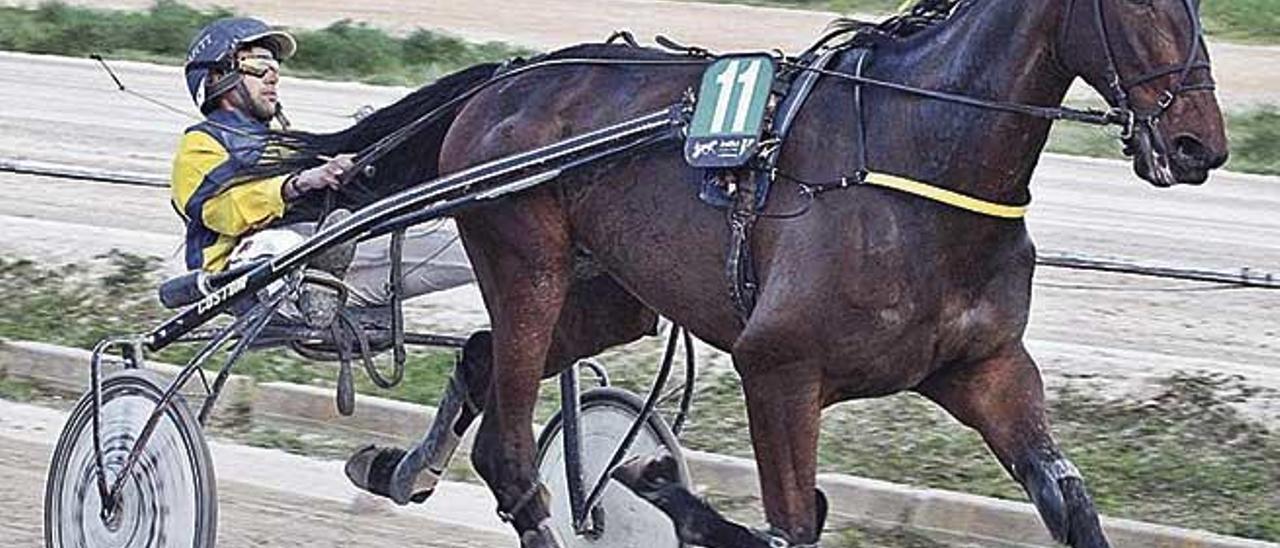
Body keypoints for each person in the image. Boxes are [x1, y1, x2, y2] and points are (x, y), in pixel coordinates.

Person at [172, 17, 475, 324]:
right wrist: (299, 182)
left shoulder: (283, 144)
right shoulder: (201, 142)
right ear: (216, 77)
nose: (273, 75)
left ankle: (325, 291)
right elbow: (221, 208)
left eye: (276, 65)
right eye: (259, 63)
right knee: (282, 241)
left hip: (319, 263)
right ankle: (312, 288)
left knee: (472, 253)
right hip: (242, 277)